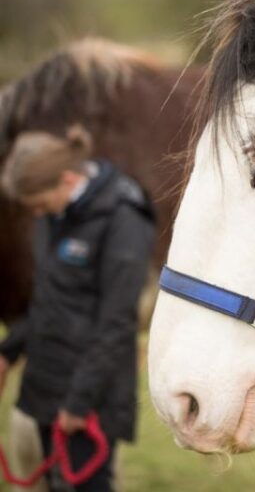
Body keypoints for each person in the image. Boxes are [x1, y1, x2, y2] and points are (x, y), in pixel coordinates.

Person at [0, 126, 155, 492]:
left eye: (39, 203)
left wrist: (78, 403)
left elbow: (117, 322)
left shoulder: (124, 219)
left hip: (89, 399)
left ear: (68, 180)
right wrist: (7, 352)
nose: (37, 213)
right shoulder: (56, 214)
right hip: (46, 385)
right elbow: (50, 299)